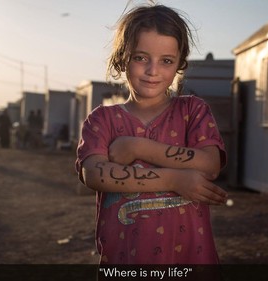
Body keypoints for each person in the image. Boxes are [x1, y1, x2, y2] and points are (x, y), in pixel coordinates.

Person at [75, 4, 228, 265]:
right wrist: (174, 180)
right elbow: (94, 174)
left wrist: (138, 147)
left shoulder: (193, 110)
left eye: (166, 61)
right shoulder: (102, 119)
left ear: (180, 63)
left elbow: (210, 164)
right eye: (141, 57)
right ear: (122, 57)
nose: (153, 70)